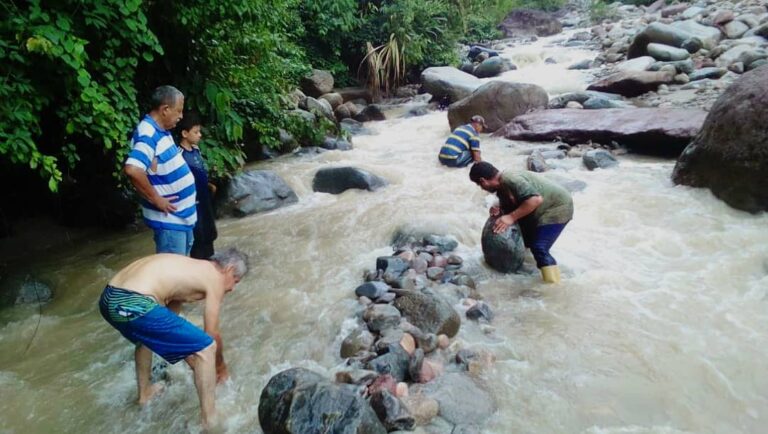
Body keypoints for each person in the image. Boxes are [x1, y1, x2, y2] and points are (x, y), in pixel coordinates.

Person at [98, 248, 249, 428]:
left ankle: (144, 393)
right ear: (229, 269)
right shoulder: (214, 277)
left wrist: (195, 363)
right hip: (134, 301)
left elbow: (169, 333)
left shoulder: (188, 270)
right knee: (207, 347)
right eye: (235, 281)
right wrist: (221, 368)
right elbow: (212, 333)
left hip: (109, 300)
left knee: (148, 338)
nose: (232, 288)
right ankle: (210, 422)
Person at [469, 161, 573, 283]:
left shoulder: (510, 179)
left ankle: (553, 285)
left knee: (539, 247)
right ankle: (531, 269)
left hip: (557, 207)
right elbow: (512, 203)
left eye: (479, 185)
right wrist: (500, 210)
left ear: (483, 181)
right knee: (526, 240)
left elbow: (535, 200)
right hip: (542, 208)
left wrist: (511, 217)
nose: (482, 188)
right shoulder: (502, 186)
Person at [124, 85, 197, 255]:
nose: (181, 116)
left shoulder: (161, 131)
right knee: (173, 278)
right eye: (178, 111)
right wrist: (156, 199)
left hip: (180, 220)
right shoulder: (148, 134)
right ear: (165, 109)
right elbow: (133, 169)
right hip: (170, 223)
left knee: (181, 273)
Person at [177, 113, 218, 259]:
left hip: (204, 199)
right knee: (198, 238)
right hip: (192, 203)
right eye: (196, 132)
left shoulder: (196, 150)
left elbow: (198, 174)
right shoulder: (179, 155)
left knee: (209, 233)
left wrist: (208, 185)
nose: (199, 135)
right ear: (184, 133)